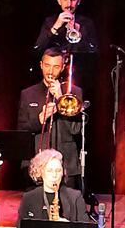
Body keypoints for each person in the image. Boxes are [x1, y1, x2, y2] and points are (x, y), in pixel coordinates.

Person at [17, 48, 83, 190]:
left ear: (63, 67)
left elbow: (76, 129)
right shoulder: (28, 94)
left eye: (56, 67)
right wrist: (39, 119)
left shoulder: (74, 92)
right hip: (37, 162)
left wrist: (61, 98)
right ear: (41, 64)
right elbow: (21, 130)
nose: (50, 72)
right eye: (47, 66)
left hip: (66, 164)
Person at [16, 149, 91, 228]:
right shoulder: (29, 198)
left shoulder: (75, 197)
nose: (54, 175)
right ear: (41, 172)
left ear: (63, 173)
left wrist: (69, 227)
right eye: (50, 171)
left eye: (58, 171)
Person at [33, 0, 99, 53]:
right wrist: (55, 27)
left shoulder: (87, 22)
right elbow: (38, 47)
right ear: (59, 1)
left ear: (79, 1)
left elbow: (94, 50)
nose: (69, 4)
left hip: (77, 63)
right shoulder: (49, 21)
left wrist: (81, 36)